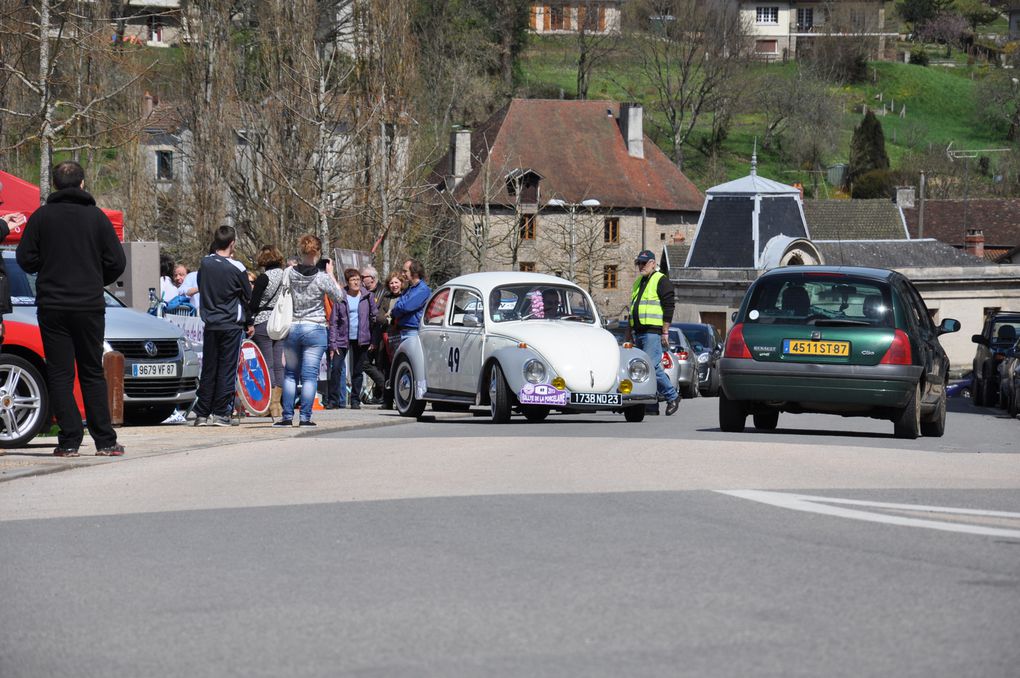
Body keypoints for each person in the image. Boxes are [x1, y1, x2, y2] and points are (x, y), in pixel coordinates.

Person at [15, 161, 127, 456]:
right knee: (91, 371)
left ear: (54, 185)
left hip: (52, 304)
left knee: (60, 373)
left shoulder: (41, 218)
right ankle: (104, 440)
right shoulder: (98, 219)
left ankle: (69, 441)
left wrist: (48, 268)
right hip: (89, 305)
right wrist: (94, 279)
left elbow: (25, 259)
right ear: (82, 184)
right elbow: (117, 262)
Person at [274, 234, 344, 428]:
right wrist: (330, 273)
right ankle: (305, 417)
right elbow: (339, 296)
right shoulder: (321, 277)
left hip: (293, 326)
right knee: (310, 376)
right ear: (318, 252)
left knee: (290, 374)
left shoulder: (289, 272)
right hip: (315, 328)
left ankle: (287, 416)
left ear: (301, 251)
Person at [192, 226, 253, 427]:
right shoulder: (237, 267)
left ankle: (202, 412)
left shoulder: (205, 263)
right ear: (232, 243)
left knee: (209, 369)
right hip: (230, 324)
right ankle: (221, 412)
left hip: (211, 323)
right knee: (227, 369)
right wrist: (249, 321)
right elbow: (248, 296)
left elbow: (202, 285)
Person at [626, 249, 681, 416]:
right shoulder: (639, 282)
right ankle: (648, 402)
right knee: (640, 368)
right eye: (639, 263)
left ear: (652, 263)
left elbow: (669, 306)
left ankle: (672, 396)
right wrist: (629, 333)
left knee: (650, 367)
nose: (641, 266)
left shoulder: (661, 280)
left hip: (652, 332)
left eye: (644, 263)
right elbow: (632, 310)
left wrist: (665, 332)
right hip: (639, 331)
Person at [327, 269, 377, 410]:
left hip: (361, 339)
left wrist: (373, 339)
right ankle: (333, 400)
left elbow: (374, 318)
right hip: (342, 338)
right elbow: (334, 321)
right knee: (336, 368)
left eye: (358, 279)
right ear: (347, 282)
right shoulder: (340, 296)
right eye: (352, 280)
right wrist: (333, 343)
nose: (356, 282)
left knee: (357, 371)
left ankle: (355, 400)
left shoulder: (368, 297)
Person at [248, 245, 286, 418]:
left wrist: (248, 320)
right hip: (280, 321)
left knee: (267, 364)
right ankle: (278, 406)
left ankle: (270, 404)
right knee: (279, 364)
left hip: (263, 321)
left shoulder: (264, 278)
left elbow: (254, 303)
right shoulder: (286, 276)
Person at [377, 271, 405, 409]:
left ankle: (402, 397)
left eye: (396, 282)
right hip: (388, 337)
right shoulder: (386, 298)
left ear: (401, 283)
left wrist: (392, 317)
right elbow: (379, 316)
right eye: (391, 283)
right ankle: (387, 401)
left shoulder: (406, 296)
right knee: (387, 369)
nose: (394, 285)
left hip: (402, 336)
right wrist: (388, 318)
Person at [359, 265, 386, 404]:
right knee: (366, 364)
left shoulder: (383, 292)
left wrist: (375, 340)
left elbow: (379, 318)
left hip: (379, 335)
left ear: (373, 278)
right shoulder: (363, 292)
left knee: (376, 364)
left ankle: (384, 392)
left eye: (364, 277)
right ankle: (381, 392)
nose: (361, 279)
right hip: (367, 333)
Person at [390, 258, 431, 344]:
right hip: (403, 331)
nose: (402, 274)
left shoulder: (423, 290)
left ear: (415, 273)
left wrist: (396, 309)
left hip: (413, 332)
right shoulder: (408, 289)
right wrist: (396, 309)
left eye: (405, 271)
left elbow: (405, 307)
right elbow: (398, 307)